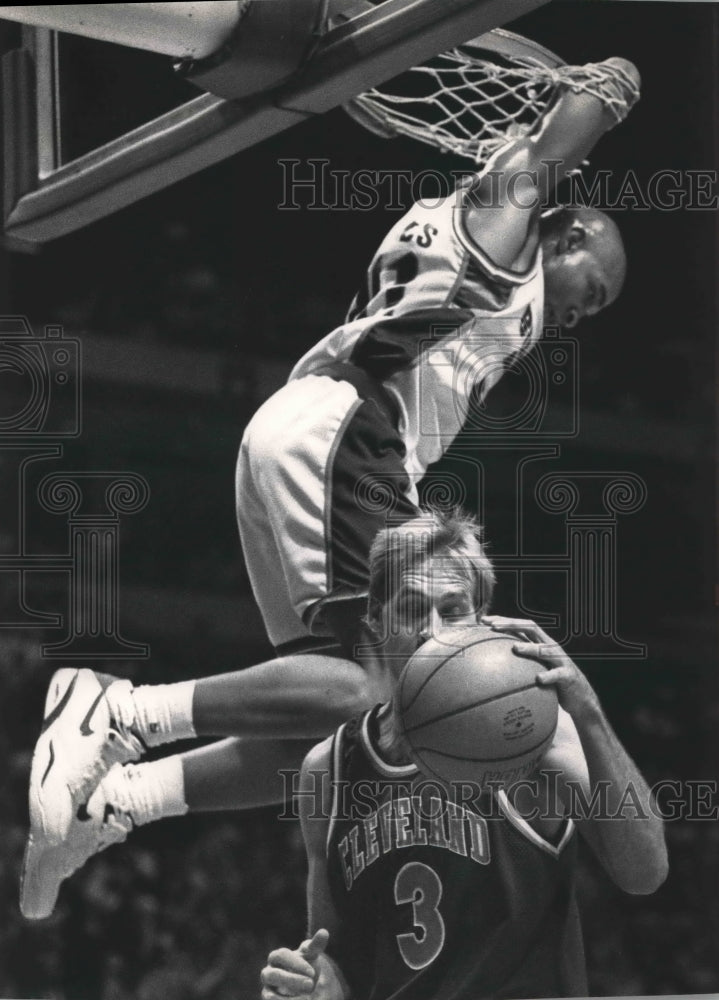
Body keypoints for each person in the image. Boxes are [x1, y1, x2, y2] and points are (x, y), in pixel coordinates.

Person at [21, 53, 641, 919]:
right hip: (350, 436)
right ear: (569, 237)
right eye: (593, 291)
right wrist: (614, 89)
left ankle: (119, 801)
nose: (581, 313)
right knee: (380, 686)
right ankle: (118, 709)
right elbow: (548, 152)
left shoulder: (462, 228)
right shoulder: (502, 230)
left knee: (336, 723)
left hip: (313, 432)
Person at [259, 510, 668, 1000]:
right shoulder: (327, 769)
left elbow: (645, 873)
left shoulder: (531, 731)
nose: (432, 630)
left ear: (481, 621)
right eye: (411, 607)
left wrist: (588, 711)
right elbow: (335, 952)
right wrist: (317, 982)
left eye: (452, 610)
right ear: (374, 618)